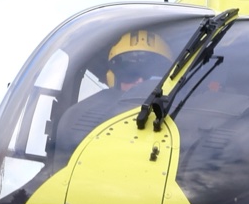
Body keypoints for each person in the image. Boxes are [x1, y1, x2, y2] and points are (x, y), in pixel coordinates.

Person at [50, 29, 172, 162]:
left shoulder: (181, 116)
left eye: (151, 77)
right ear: (113, 77)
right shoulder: (78, 118)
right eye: (130, 74)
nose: (140, 82)